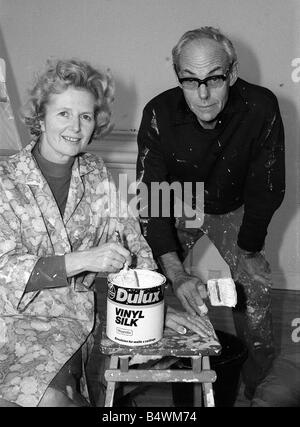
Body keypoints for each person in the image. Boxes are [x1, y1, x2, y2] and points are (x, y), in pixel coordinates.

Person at [0, 59, 212, 407]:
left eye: (85, 116)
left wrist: (152, 310)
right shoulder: (5, 179)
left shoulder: (96, 173)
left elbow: (131, 242)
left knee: (49, 400)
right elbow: (4, 268)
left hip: (60, 327)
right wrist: (81, 260)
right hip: (7, 317)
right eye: (63, 113)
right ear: (40, 118)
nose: (76, 126)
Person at [137, 26, 285, 399]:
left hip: (233, 206)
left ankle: (251, 383)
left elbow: (267, 188)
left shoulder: (261, 106)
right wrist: (174, 273)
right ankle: (154, 367)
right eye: (190, 81)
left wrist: (246, 252)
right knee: (141, 285)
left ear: (231, 73)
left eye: (214, 79)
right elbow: (151, 198)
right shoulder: (158, 112)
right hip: (180, 203)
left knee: (256, 293)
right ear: (179, 78)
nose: (202, 94)